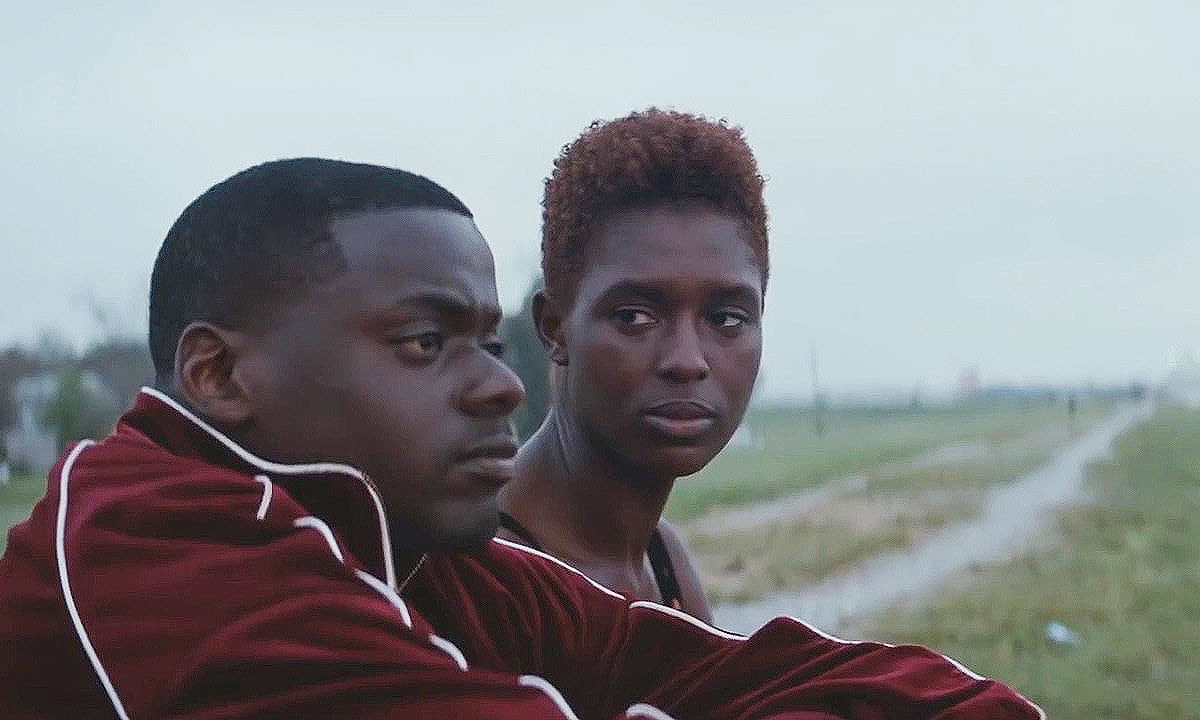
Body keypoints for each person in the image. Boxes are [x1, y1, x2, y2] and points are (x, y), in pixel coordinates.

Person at [0, 158, 1043, 719]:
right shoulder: (149, 541)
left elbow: (720, 672)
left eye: (485, 343)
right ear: (220, 376)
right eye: (425, 343)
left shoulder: (422, 555)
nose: (502, 386)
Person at [498, 109, 768, 621]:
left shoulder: (663, 560)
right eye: (635, 317)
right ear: (554, 327)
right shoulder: (483, 576)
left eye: (726, 319)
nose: (687, 361)